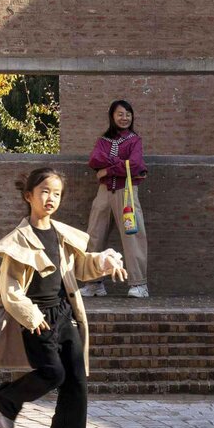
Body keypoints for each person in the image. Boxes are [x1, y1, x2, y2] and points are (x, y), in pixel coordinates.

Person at [0, 167, 126, 428]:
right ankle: (6, 398)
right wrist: (31, 316)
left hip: (65, 313)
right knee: (53, 373)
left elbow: (77, 268)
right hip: (37, 319)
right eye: (44, 192)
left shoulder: (61, 235)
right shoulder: (19, 240)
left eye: (57, 194)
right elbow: (10, 289)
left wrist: (103, 261)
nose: (51, 199)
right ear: (29, 196)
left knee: (76, 380)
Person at [79, 100, 149, 299]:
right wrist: (119, 164)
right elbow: (95, 159)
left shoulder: (135, 140)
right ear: (112, 116)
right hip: (104, 192)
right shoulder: (103, 140)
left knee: (132, 235)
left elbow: (135, 165)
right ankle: (94, 283)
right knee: (94, 235)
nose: (124, 118)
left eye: (128, 114)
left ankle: (139, 284)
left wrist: (107, 170)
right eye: (120, 114)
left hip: (126, 191)